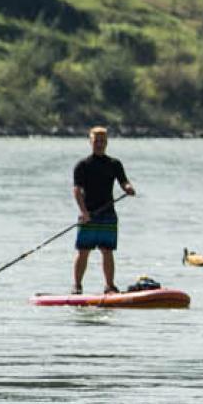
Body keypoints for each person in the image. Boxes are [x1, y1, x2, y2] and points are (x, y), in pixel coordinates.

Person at [71, 124, 136, 295]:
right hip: (89, 214)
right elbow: (77, 190)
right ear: (90, 142)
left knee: (107, 251)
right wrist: (84, 212)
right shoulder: (82, 165)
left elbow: (124, 182)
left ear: (106, 142)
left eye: (102, 141)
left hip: (108, 214)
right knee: (83, 251)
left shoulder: (114, 164)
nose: (99, 144)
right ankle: (77, 286)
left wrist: (128, 188)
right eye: (96, 141)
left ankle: (109, 286)